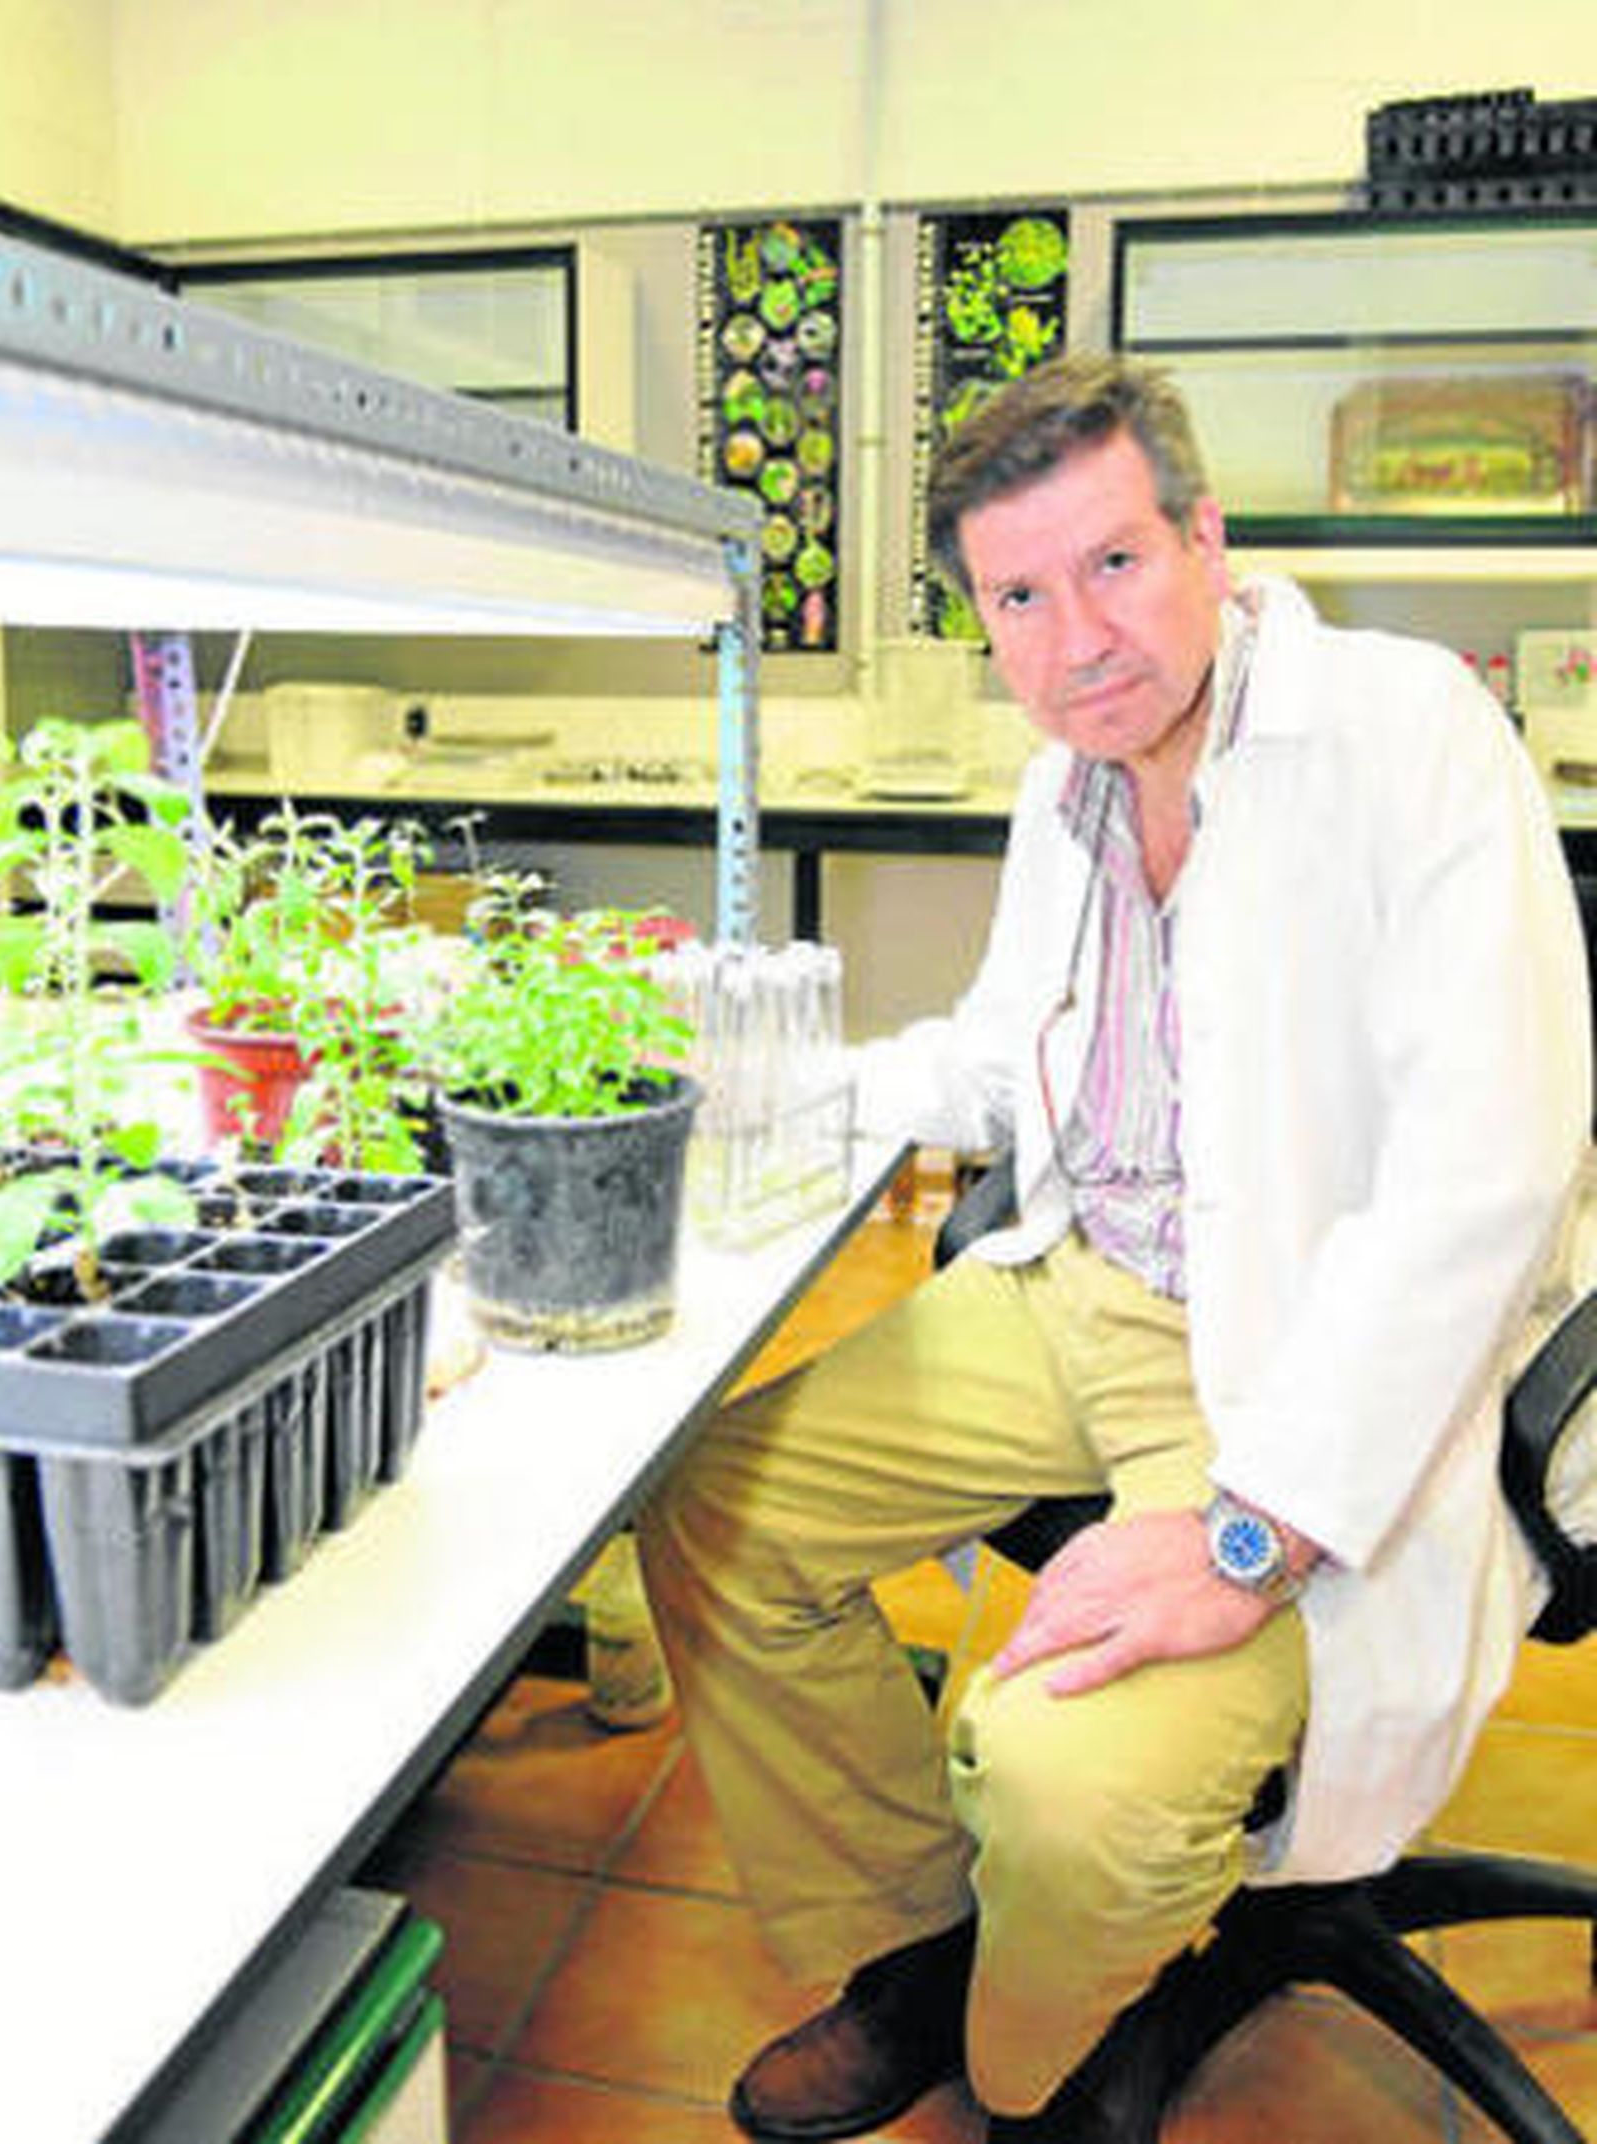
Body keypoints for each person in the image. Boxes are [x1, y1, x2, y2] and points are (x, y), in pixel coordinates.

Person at [635, 353, 1592, 2142]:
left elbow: (1487, 1173)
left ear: (1208, 540)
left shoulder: (1408, 740)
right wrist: (736, 1089)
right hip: (1082, 1289)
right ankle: (926, 1953)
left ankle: (1034, 2070)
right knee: (719, 1517)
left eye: (1117, 565)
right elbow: (1009, 1059)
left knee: (1073, 1787)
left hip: (1306, 1353)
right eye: (1019, 593)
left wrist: (1255, 1532)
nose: (1076, 635)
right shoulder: (1062, 794)